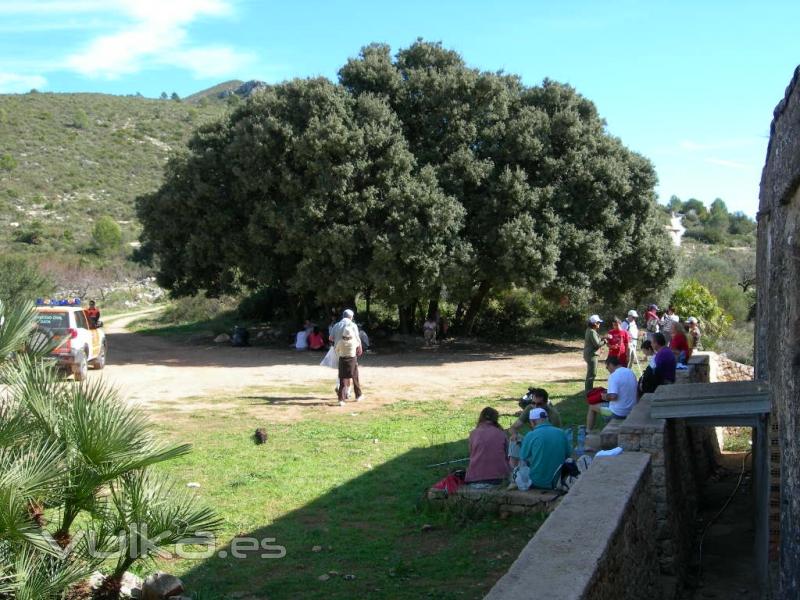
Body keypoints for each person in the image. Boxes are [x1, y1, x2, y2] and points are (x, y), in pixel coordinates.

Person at [518, 408, 572, 490]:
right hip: (559, 480)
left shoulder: (531, 435)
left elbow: (523, 458)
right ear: (547, 419)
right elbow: (568, 454)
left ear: (533, 421)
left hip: (538, 482)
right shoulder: (561, 432)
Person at [507, 388, 562, 467]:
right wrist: (514, 435)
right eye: (533, 403)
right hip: (534, 441)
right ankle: (515, 471)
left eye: (539, 404)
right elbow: (513, 428)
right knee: (514, 440)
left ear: (546, 403)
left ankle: (527, 467)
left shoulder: (553, 415)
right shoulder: (530, 408)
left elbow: (556, 439)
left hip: (547, 447)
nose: (535, 407)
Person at [586, 355, 638, 431]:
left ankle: (588, 431)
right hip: (631, 410)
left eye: (607, 367)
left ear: (610, 364)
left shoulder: (613, 376)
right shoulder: (630, 372)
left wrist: (605, 396)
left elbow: (613, 397)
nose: (607, 370)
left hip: (617, 413)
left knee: (592, 407)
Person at [465, 407, 510, 488]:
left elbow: (471, 454)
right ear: (496, 419)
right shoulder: (501, 433)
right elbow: (508, 454)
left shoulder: (473, 434)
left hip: (475, 478)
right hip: (499, 478)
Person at [330, 309, 364, 406]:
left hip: (339, 351)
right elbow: (357, 338)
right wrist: (360, 348)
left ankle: (342, 393)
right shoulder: (353, 325)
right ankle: (352, 393)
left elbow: (330, 338)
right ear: (351, 317)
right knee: (353, 372)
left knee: (342, 373)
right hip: (351, 354)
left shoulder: (336, 325)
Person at [583, 314, 605, 392]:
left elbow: (595, 341)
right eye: (598, 323)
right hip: (592, 355)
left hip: (588, 354)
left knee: (590, 373)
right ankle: (589, 391)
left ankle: (588, 390)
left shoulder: (589, 330)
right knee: (592, 374)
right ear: (594, 323)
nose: (599, 324)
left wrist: (602, 338)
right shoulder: (592, 332)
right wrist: (605, 341)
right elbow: (597, 344)